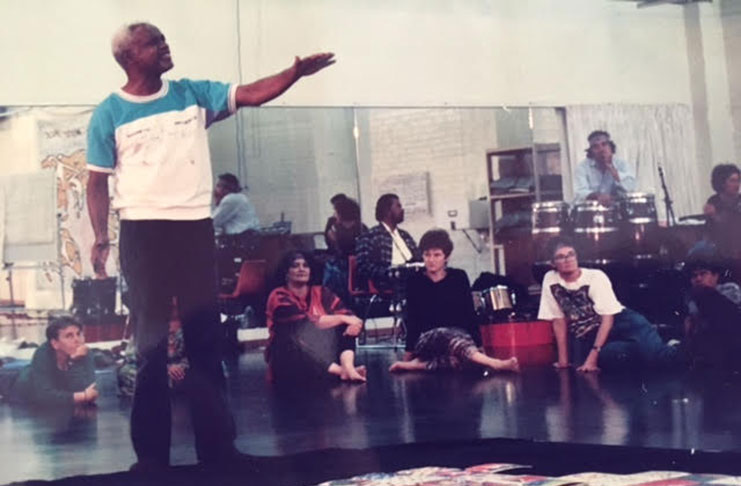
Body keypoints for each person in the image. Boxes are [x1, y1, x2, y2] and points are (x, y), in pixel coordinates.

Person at [85, 22, 334, 471]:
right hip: (143, 235)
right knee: (151, 349)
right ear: (129, 57)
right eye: (153, 42)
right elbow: (96, 183)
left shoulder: (192, 94)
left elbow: (252, 93)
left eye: (164, 38)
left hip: (193, 231)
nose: (165, 45)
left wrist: (292, 74)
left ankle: (218, 449)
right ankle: (152, 459)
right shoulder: (109, 113)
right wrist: (101, 236)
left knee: (205, 342)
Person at [537, 237, 682, 372]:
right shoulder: (550, 280)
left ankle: (677, 348)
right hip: (593, 334)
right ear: (552, 263)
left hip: (623, 323)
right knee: (610, 356)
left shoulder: (595, 277)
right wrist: (563, 361)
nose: (567, 259)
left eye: (571, 254)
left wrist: (591, 360)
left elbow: (608, 319)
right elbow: (558, 320)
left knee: (662, 360)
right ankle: (660, 347)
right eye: (561, 257)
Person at [389, 229, 519, 374]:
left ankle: (418, 365)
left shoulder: (458, 277)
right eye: (427, 255)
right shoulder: (415, 281)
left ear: (447, 256)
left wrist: (479, 344)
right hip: (428, 339)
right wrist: (409, 352)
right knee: (445, 334)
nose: (431, 260)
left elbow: (469, 313)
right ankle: (495, 363)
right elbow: (412, 319)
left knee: (457, 361)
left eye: (437, 255)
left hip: (458, 336)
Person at [265, 251, 366, 384]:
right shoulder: (277, 296)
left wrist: (354, 324)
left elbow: (348, 315)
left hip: (322, 356)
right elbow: (304, 323)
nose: (301, 269)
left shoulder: (322, 292)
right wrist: (343, 318)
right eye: (295, 266)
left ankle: (348, 367)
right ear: (286, 272)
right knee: (291, 335)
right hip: (290, 362)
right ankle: (341, 371)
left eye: (305, 266)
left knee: (345, 324)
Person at [12, 316, 98, 407]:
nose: (77, 340)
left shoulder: (84, 353)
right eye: (69, 336)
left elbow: (90, 390)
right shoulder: (43, 353)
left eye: (78, 334)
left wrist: (74, 362)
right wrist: (83, 396)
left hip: (55, 401)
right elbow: (44, 396)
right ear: (55, 343)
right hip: (22, 397)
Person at [683, 258, 741, 369]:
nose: (698, 279)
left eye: (703, 273)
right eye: (694, 276)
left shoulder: (730, 301)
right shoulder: (692, 304)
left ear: (715, 276)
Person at [355, 193, 420, 290]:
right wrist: (390, 273)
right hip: (388, 283)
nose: (402, 210)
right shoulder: (370, 236)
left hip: (411, 279)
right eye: (398, 206)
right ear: (387, 211)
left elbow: (418, 257)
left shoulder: (404, 235)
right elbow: (364, 267)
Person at [323, 196, 367, 303]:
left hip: (349, 268)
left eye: (336, 212)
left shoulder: (357, 229)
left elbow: (342, 252)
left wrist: (334, 241)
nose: (334, 215)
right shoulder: (361, 227)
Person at [573, 130, 636, 205]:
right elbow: (580, 192)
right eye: (596, 147)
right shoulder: (582, 168)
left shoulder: (622, 164)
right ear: (591, 152)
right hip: (593, 209)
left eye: (604, 144)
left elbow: (630, 188)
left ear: (611, 147)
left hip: (617, 210)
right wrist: (598, 196)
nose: (601, 149)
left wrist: (611, 168)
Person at [703, 164, 741, 262]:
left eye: (738, 180)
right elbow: (710, 229)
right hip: (720, 249)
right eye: (732, 181)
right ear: (722, 183)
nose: (737, 185)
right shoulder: (714, 201)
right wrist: (712, 215)